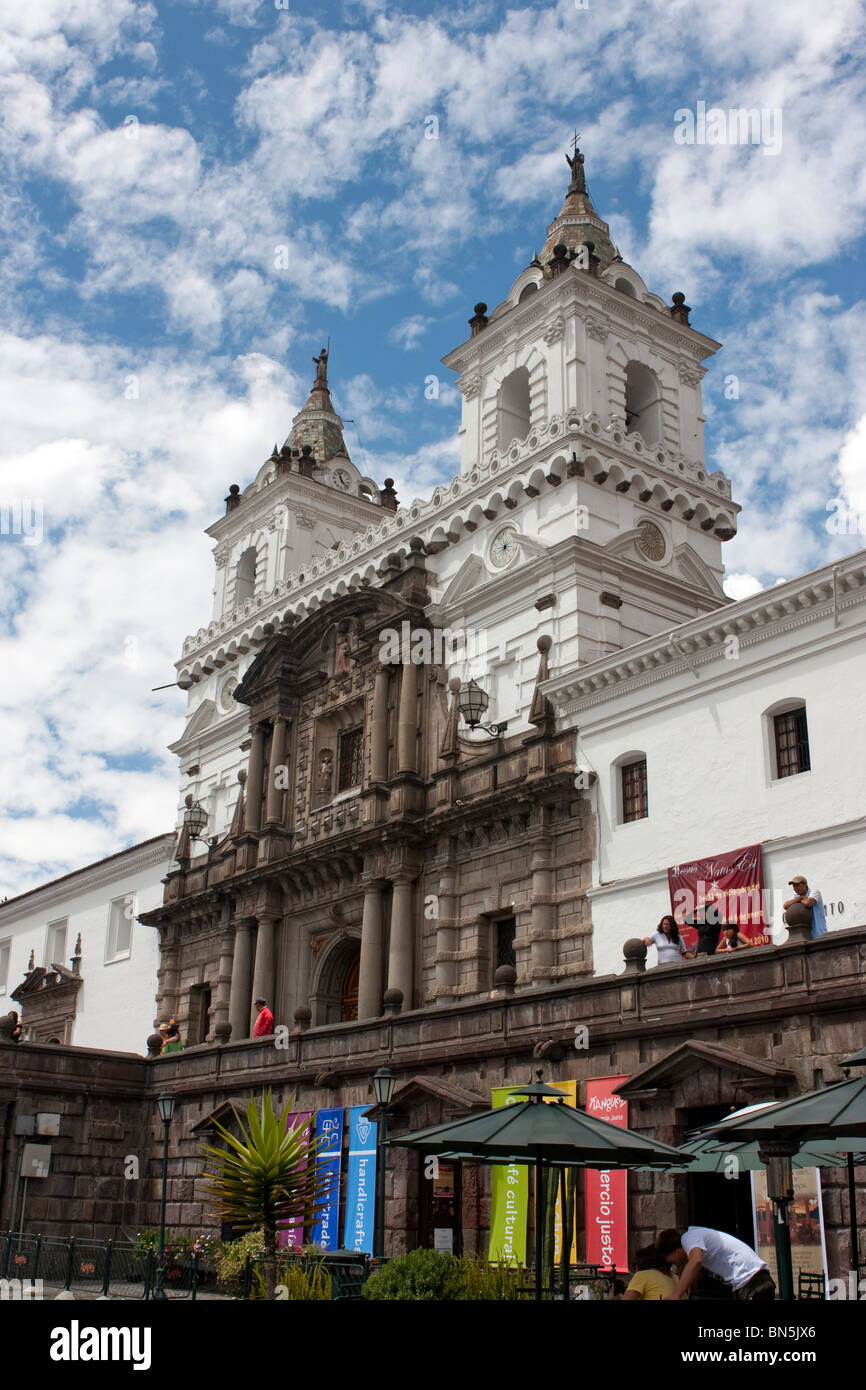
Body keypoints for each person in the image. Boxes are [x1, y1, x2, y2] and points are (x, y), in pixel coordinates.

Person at [656, 1226, 776, 1301]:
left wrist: (676, 1294)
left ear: (673, 1250)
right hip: (748, 1283)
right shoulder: (698, 1238)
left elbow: (695, 1261)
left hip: (752, 1282)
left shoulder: (688, 1237)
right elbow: (697, 1271)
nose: (672, 1264)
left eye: (668, 1260)